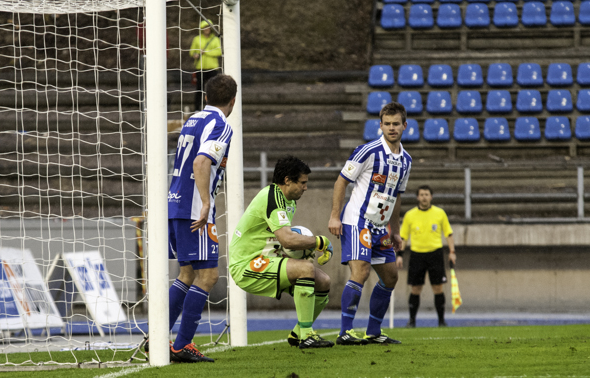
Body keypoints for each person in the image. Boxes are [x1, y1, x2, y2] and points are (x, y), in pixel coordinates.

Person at [166, 74, 237, 363]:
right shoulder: (221, 125)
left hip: (175, 203)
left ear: (205, 97)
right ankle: (182, 345)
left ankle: (157, 338)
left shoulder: (193, 119)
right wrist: (207, 201)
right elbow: (200, 161)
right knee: (208, 275)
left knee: (186, 274)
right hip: (196, 208)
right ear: (233, 101)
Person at [229, 155, 335, 349]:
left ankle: (298, 333)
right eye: (302, 183)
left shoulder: (290, 202)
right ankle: (306, 336)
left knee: (323, 282)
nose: (305, 187)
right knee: (306, 269)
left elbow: (279, 242)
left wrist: (301, 251)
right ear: (287, 180)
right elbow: (287, 239)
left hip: (267, 259)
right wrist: (319, 241)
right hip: (246, 263)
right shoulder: (272, 196)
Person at [328, 102, 412, 345]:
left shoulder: (406, 160)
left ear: (404, 126)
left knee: (390, 278)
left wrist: (394, 231)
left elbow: (396, 197)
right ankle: (345, 331)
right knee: (361, 271)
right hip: (357, 221)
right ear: (381, 125)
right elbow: (341, 181)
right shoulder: (367, 151)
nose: (392, 128)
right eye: (387, 124)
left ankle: (373, 332)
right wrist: (335, 216)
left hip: (379, 227)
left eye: (396, 124)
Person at [397, 185, 456, 328]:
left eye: (427, 194)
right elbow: (403, 237)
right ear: (417, 197)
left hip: (435, 254)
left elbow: (448, 233)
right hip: (417, 255)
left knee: (438, 288)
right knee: (415, 288)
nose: (424, 197)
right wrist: (399, 255)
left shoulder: (440, 213)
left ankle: (441, 321)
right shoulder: (410, 215)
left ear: (431, 197)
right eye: (421, 194)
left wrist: (452, 252)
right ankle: (412, 321)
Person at [189, 20, 222, 106]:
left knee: (213, 88)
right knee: (199, 89)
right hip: (200, 68)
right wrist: (195, 54)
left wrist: (206, 52)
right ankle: (197, 108)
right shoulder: (197, 39)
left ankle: (214, 106)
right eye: (204, 27)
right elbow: (191, 51)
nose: (206, 29)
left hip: (213, 68)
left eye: (208, 27)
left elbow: (218, 52)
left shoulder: (215, 39)